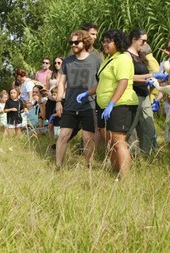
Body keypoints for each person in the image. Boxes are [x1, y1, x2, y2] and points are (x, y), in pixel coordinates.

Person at [55, 30, 102, 169]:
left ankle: (89, 165)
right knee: (63, 135)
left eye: (76, 42)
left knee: (87, 138)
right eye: (71, 43)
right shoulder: (68, 61)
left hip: (89, 105)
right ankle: (58, 166)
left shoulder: (96, 60)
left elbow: (103, 81)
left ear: (85, 42)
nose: (73, 45)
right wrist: (59, 101)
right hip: (70, 105)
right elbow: (61, 83)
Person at [95, 29, 138, 178]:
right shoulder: (108, 59)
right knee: (108, 139)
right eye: (104, 41)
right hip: (102, 105)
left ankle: (124, 178)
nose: (105, 44)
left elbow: (123, 82)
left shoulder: (123, 59)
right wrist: (87, 93)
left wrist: (111, 103)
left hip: (121, 104)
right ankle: (115, 172)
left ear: (117, 42)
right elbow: (101, 83)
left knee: (118, 140)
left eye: (108, 41)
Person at [125, 28, 157, 153]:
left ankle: (145, 158)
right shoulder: (126, 56)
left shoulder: (140, 56)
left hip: (145, 96)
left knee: (148, 129)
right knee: (130, 129)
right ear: (134, 39)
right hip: (133, 96)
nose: (144, 44)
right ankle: (126, 156)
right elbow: (126, 77)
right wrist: (148, 77)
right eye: (142, 41)